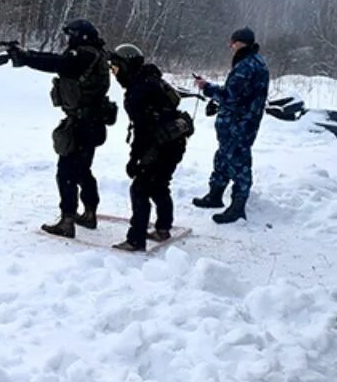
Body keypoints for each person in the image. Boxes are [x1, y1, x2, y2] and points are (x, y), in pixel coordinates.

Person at [7, 19, 114, 238]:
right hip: (91, 122)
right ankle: (90, 213)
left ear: (80, 36)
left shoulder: (85, 55)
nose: (68, 40)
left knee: (66, 172)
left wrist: (27, 58)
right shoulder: (95, 54)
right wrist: (27, 54)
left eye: (71, 36)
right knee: (83, 169)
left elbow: (58, 64)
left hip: (83, 123)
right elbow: (59, 60)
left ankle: (67, 220)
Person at [109, 44, 192, 252]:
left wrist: (135, 159)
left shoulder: (138, 91)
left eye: (116, 68)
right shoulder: (151, 79)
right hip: (175, 142)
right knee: (159, 185)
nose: (114, 73)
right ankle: (163, 228)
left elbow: (143, 131)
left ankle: (136, 239)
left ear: (127, 66)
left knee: (140, 189)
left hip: (162, 144)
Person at [193, 27, 270, 223]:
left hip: (239, 124)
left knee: (239, 163)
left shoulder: (247, 66)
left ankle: (237, 207)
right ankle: (215, 195)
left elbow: (230, 96)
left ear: (240, 43)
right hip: (236, 123)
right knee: (223, 158)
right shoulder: (254, 62)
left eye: (233, 42)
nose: (230, 45)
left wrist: (207, 88)